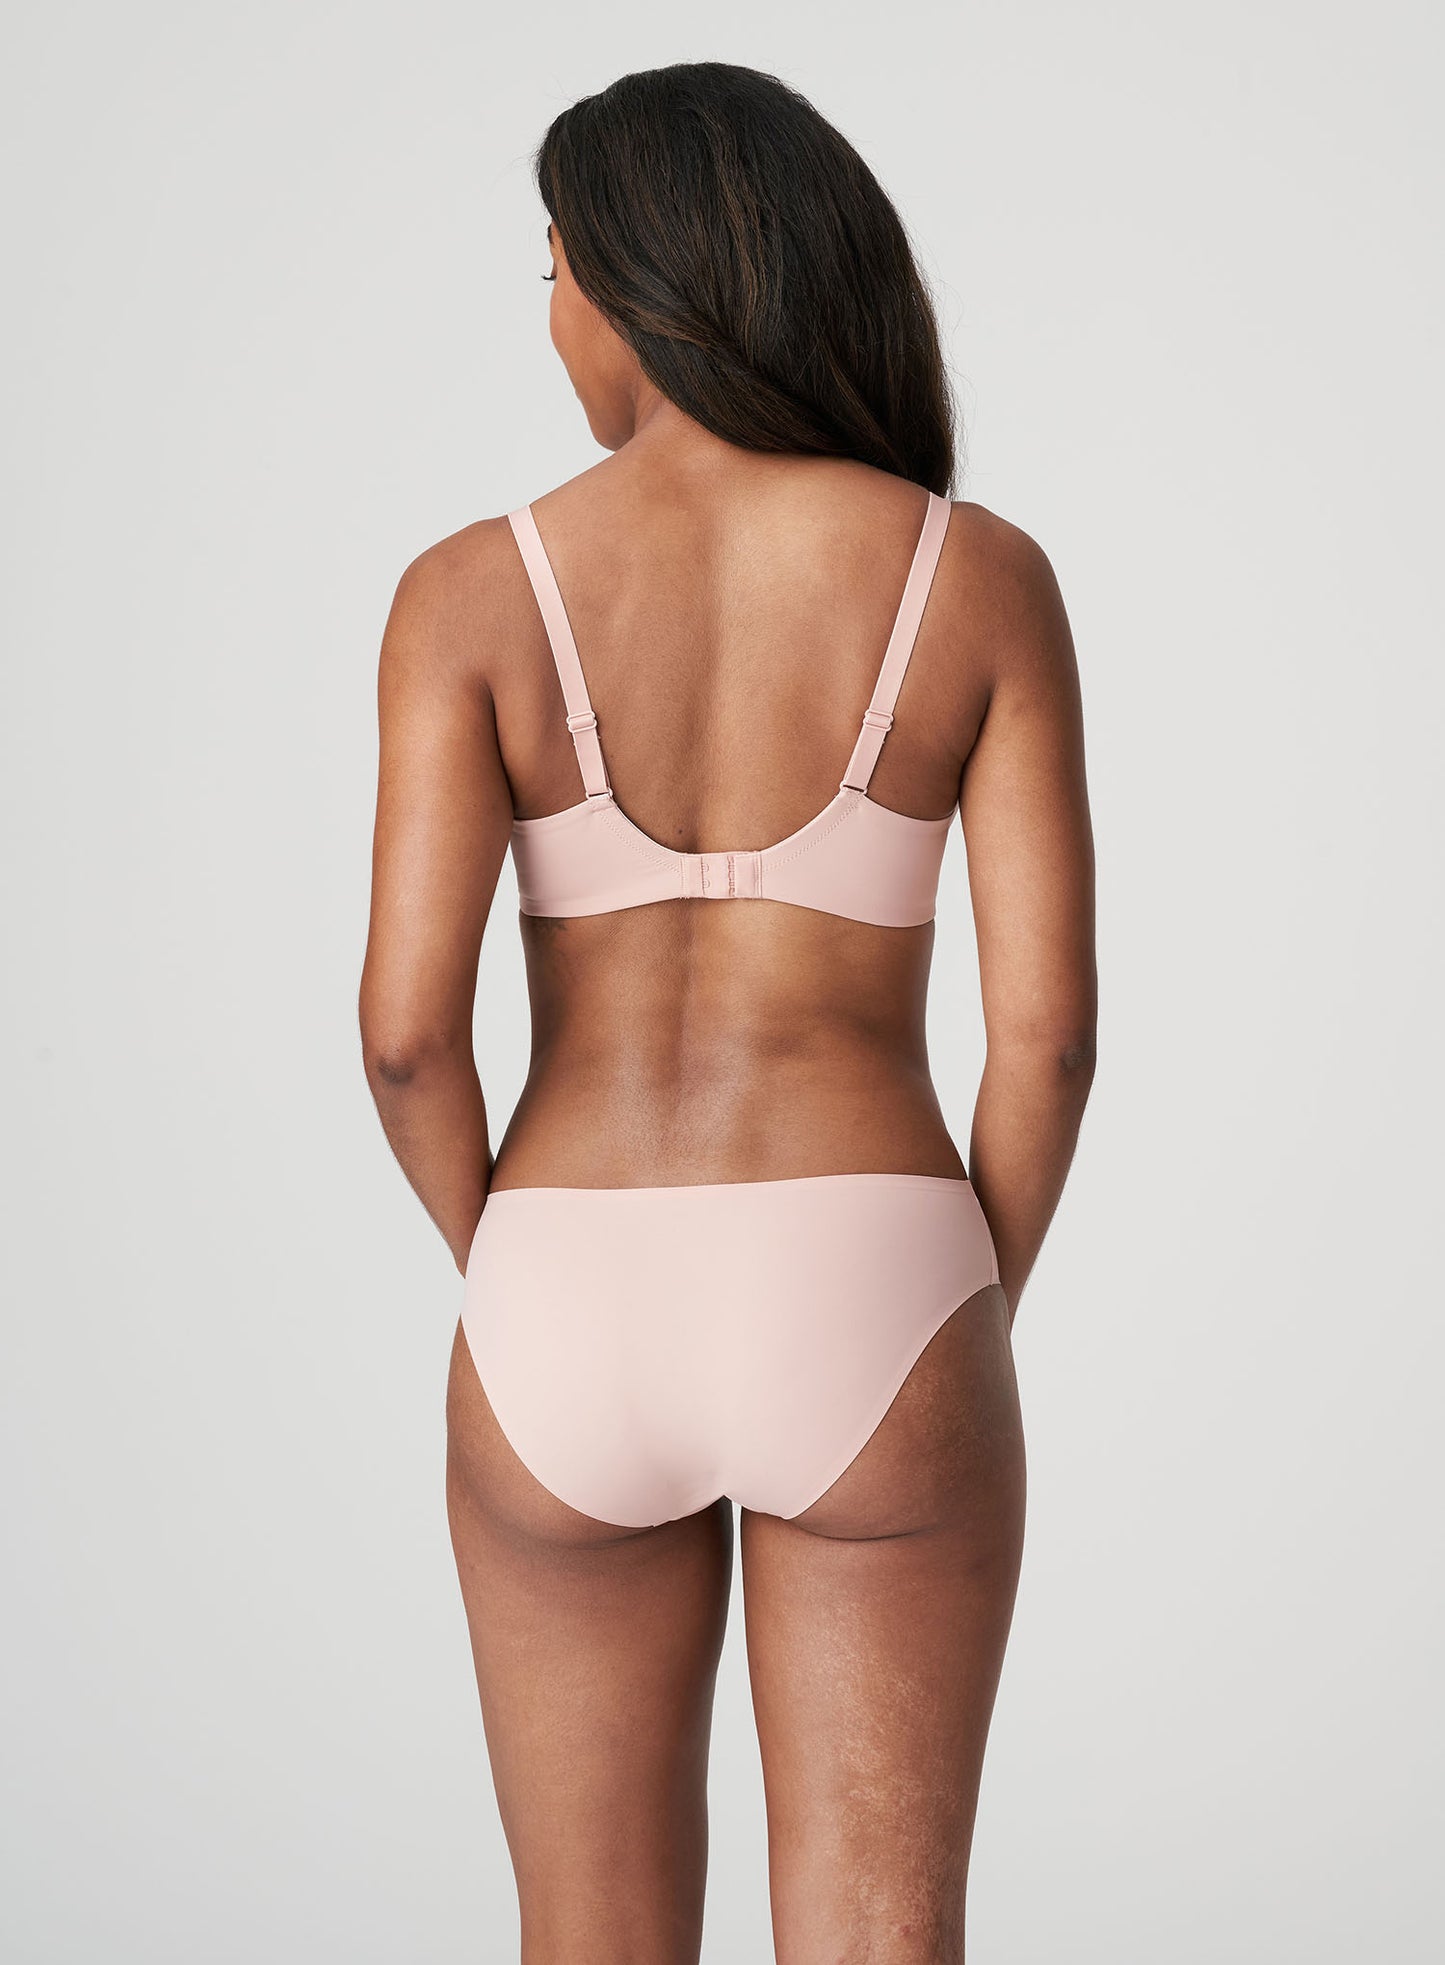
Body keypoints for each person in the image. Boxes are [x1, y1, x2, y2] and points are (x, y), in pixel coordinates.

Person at [360, 59, 1096, 1965]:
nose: (549, 320)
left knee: (586, 1938)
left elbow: (407, 1036)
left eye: (551, 274)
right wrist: (955, 1297)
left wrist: (513, 1260)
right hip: (872, 1270)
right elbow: (1047, 1040)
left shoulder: (467, 593)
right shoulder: (973, 576)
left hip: (564, 1275)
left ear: (628, 280)